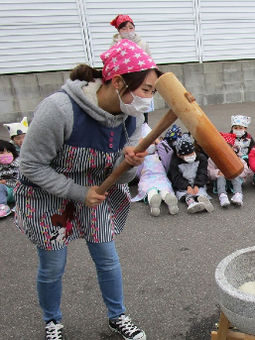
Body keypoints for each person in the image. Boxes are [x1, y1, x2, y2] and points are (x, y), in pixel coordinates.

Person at [14, 40, 158, 340]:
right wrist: (78, 193)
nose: (149, 98)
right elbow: (30, 165)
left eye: (153, 91)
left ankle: (117, 315)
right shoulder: (60, 109)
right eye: (146, 89)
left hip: (96, 192)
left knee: (107, 258)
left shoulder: (130, 116)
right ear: (118, 81)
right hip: (47, 195)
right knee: (53, 265)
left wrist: (128, 164)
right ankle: (52, 321)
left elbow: (120, 177)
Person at [130, 123, 179, 216]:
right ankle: (154, 202)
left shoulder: (159, 154)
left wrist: (157, 141)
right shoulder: (139, 158)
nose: (149, 144)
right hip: (146, 179)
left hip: (161, 178)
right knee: (149, 189)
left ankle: (170, 200)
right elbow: (134, 168)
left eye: (151, 142)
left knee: (165, 188)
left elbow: (168, 153)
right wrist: (138, 148)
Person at [168, 134, 213, 213]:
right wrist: (187, 186)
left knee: (201, 191)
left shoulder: (201, 158)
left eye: (192, 153)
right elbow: (176, 177)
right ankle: (191, 203)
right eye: (187, 155)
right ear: (179, 155)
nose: (191, 156)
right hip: (183, 186)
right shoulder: (175, 163)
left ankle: (203, 199)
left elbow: (202, 172)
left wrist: (197, 185)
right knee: (185, 194)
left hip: (197, 182)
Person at [208, 132, 249, 207]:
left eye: (227, 148)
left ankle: (238, 194)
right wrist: (217, 172)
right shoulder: (213, 158)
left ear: (232, 148)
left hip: (234, 179)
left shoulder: (236, 157)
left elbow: (245, 169)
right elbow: (209, 171)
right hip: (220, 179)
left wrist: (237, 172)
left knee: (235, 175)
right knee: (221, 176)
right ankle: (222, 195)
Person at [0, 140, 19, 217]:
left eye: (8, 152)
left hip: (17, 190)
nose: (5, 155)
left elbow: (20, 179)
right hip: (4, 192)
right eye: (1, 153)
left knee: (25, 185)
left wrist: (6, 182)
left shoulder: (18, 165)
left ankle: (20, 206)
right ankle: (2, 206)